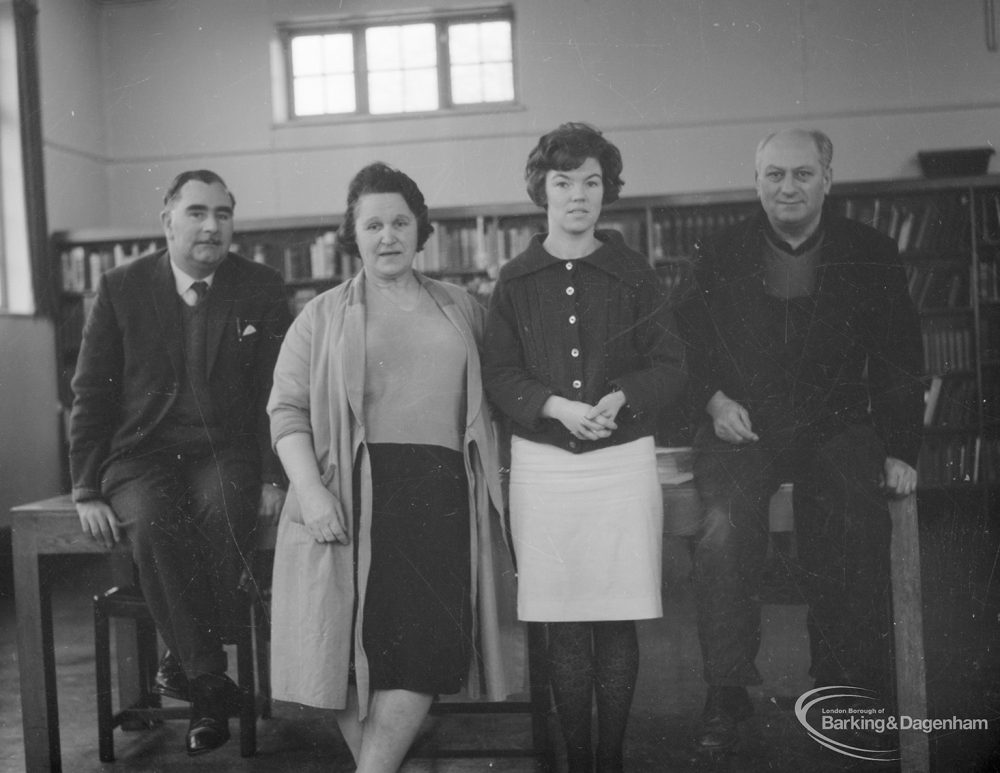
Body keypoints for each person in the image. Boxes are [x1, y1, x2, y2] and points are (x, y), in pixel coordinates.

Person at [676, 128, 924, 753]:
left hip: (835, 423)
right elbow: (684, 345)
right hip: (741, 426)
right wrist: (712, 400)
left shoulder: (872, 250)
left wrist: (901, 448)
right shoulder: (718, 251)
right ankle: (726, 691)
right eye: (775, 175)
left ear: (827, 180)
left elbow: (898, 357)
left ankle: (842, 685)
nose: (788, 186)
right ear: (756, 180)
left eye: (803, 174)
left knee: (853, 522)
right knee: (725, 527)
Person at [267, 162, 514, 773]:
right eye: (372, 224)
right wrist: (312, 492)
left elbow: (509, 391)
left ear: (420, 228)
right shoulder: (319, 316)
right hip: (349, 499)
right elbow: (285, 411)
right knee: (346, 657)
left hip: (442, 496)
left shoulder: (465, 309)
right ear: (353, 234)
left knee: (424, 653)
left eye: (400, 221)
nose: (387, 235)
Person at [483, 123, 686, 773]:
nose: (578, 195)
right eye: (564, 181)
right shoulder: (514, 280)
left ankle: (611, 759)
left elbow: (670, 362)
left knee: (616, 615)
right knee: (564, 621)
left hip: (622, 463)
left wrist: (622, 396)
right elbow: (499, 373)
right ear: (542, 188)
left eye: (591, 181)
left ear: (608, 190)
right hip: (544, 467)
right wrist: (556, 405)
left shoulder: (632, 272)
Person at [68, 169, 291, 756]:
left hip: (226, 450)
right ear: (166, 220)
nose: (211, 226)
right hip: (139, 454)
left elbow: (279, 390)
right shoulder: (122, 287)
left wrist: (274, 474)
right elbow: (91, 392)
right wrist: (86, 488)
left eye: (223, 213)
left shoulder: (261, 287)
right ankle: (211, 679)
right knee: (154, 520)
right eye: (196, 212)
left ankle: (187, 668)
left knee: (223, 510)